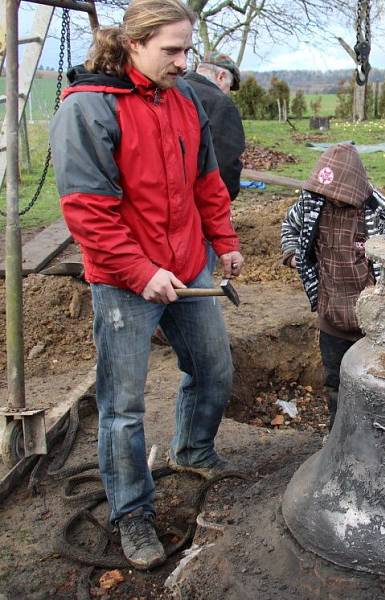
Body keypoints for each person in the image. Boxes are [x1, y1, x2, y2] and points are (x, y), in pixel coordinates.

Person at [49, 0, 244, 570]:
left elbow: (206, 179)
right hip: (123, 281)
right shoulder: (88, 110)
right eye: (172, 51)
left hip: (186, 265)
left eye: (189, 50)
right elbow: (87, 213)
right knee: (123, 407)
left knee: (213, 367)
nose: (185, 62)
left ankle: (194, 452)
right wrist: (140, 272)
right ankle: (132, 511)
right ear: (133, 45)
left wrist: (224, 241)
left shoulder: (182, 99)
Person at [280, 144, 385, 428]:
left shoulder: (378, 213)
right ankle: (338, 437)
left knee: (375, 384)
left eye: (340, 195)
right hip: (331, 312)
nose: (333, 199)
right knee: (335, 382)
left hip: (371, 322)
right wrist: (293, 254)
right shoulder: (312, 205)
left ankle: (373, 434)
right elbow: (289, 226)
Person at [184, 53, 245, 201]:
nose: (227, 92)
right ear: (221, 76)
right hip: (200, 201)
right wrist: (225, 196)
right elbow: (225, 162)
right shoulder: (220, 104)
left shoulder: (172, 90)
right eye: (229, 86)